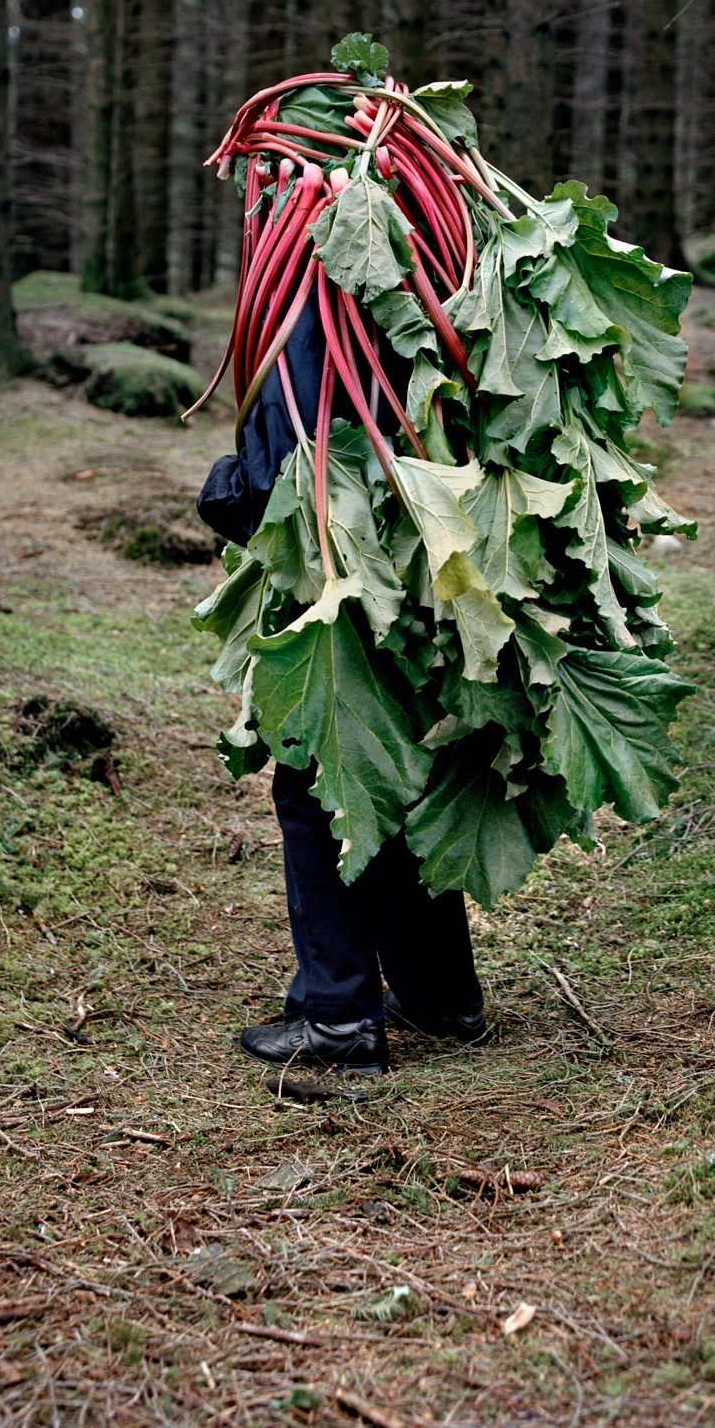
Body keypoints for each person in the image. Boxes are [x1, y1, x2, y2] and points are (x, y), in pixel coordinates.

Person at [196, 295, 485, 1076]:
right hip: (442, 562)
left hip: (348, 572)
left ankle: (337, 1018)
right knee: (402, 767)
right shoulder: (437, 273)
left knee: (322, 779)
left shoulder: (311, 301)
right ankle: (440, 992)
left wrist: (221, 488)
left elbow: (288, 477)